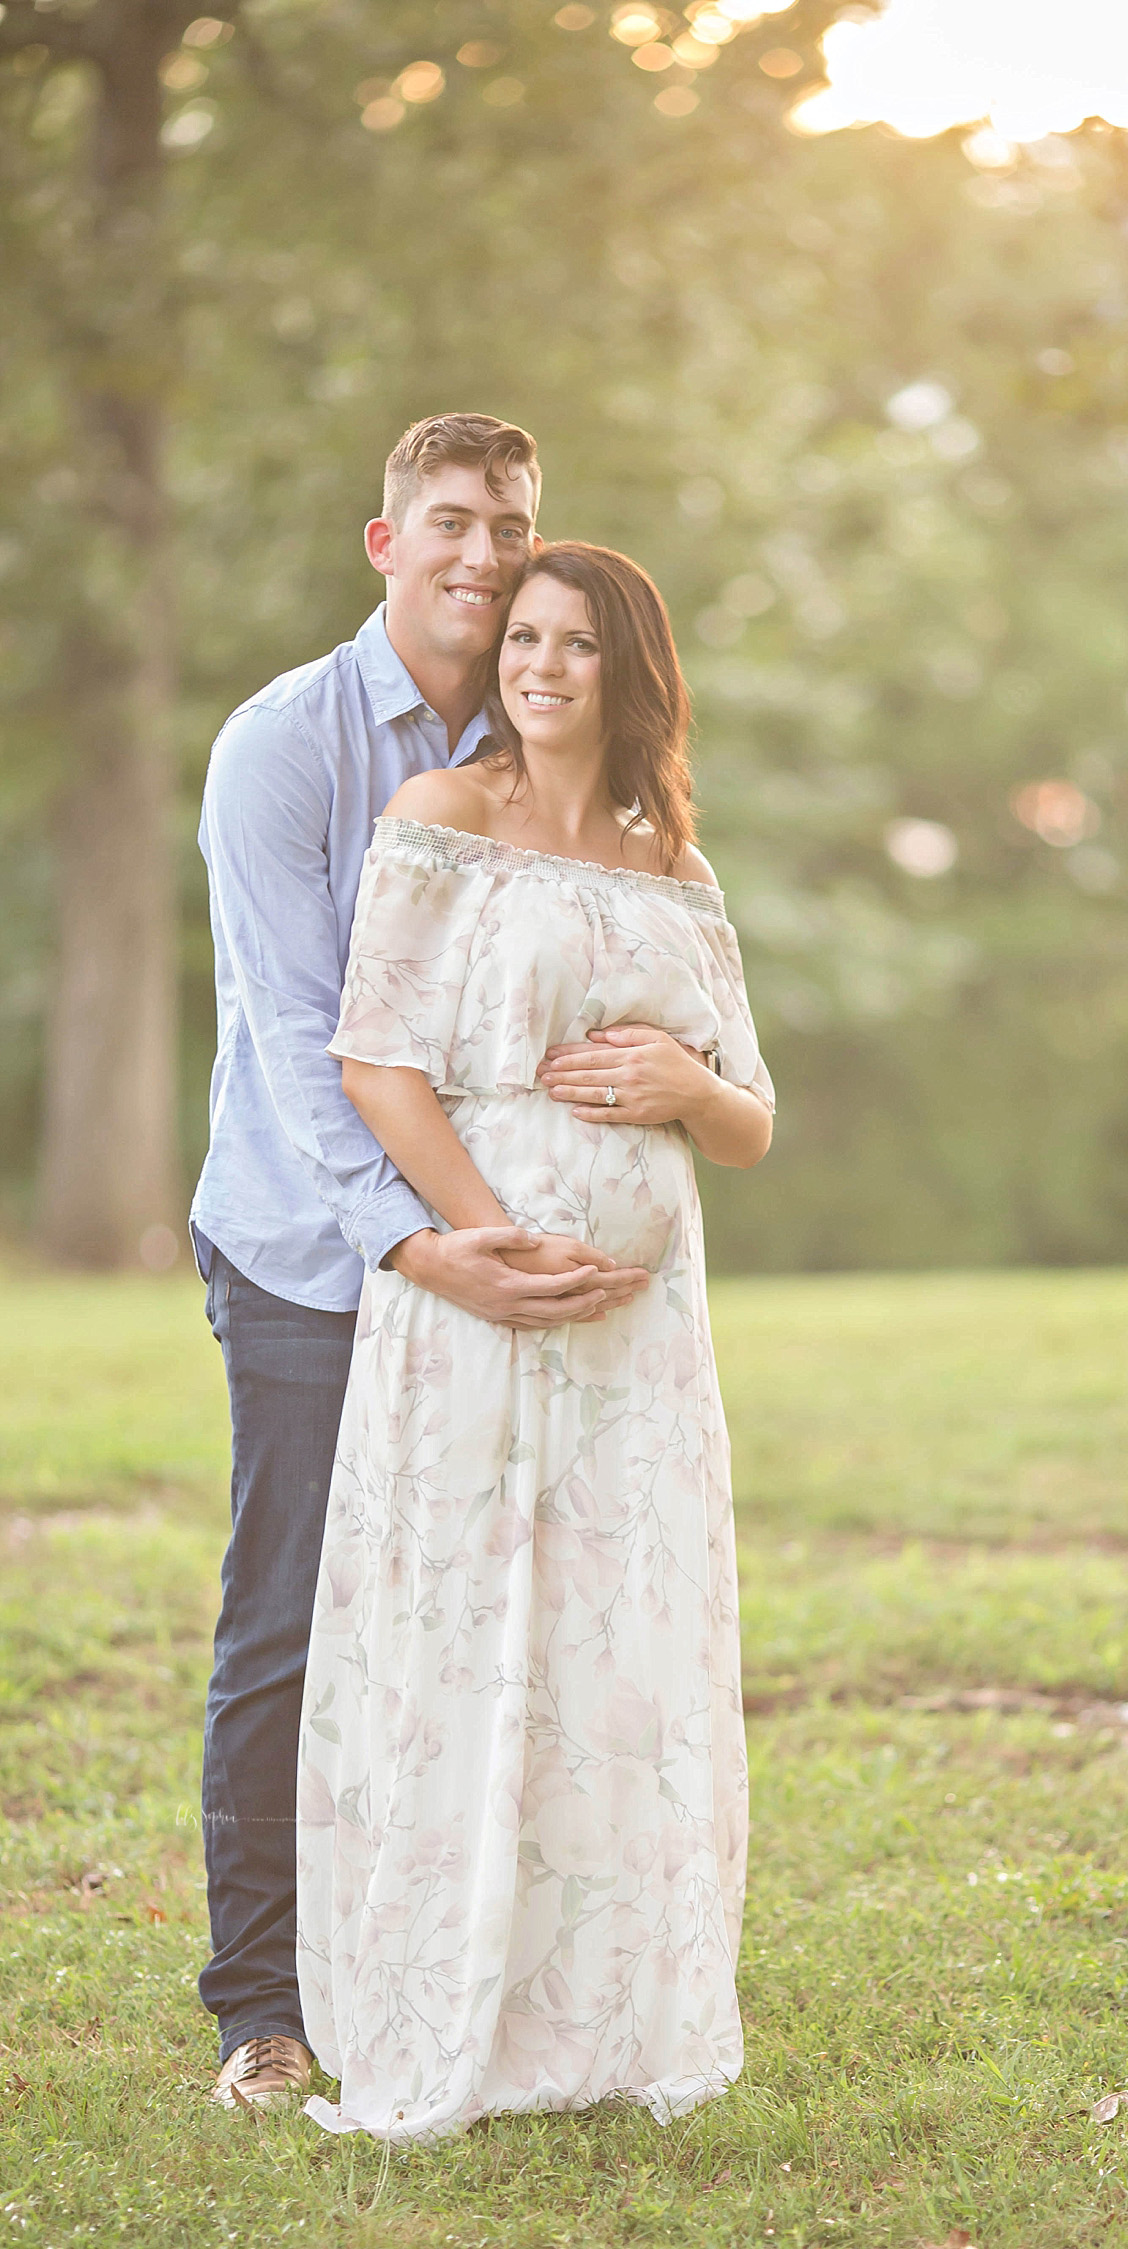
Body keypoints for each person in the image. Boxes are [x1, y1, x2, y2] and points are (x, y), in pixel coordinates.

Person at [192, 416, 649, 2114]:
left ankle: (454, 1975)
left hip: (500, 1256)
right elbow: (302, 1036)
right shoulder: (282, 747)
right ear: (384, 545)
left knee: (476, 1621)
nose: (481, 552)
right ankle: (262, 2011)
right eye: (450, 523)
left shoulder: (552, 731)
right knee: (296, 1620)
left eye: (509, 525)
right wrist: (418, 1240)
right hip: (319, 1253)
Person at [294, 541, 774, 2140]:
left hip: (646, 1346)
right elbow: (377, 1065)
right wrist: (480, 1242)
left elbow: (755, 1115)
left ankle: (609, 2014)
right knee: (466, 1625)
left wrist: (685, 1093)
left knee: (612, 1654)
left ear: (629, 669)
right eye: (525, 637)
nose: (541, 664)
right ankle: (451, 2003)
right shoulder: (439, 822)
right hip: (474, 1308)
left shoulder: (676, 867)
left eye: (576, 643)